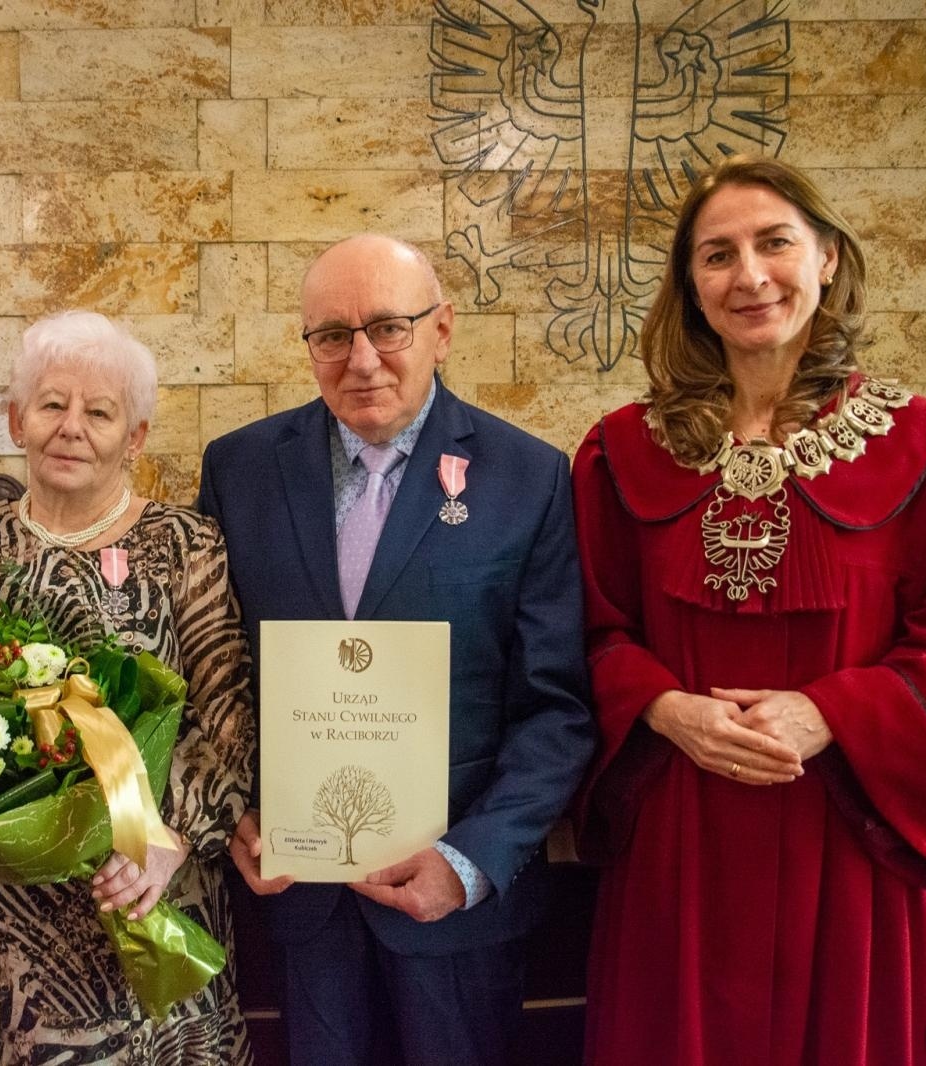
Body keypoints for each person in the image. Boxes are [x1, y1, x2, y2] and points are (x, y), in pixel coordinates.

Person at [572, 155, 926, 1065]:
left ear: (826, 260)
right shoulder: (619, 453)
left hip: (858, 835)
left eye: (774, 243)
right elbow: (586, 630)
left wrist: (833, 712)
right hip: (681, 835)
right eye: (716, 255)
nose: (749, 276)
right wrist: (667, 708)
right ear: (689, 288)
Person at [197, 234, 596, 1066]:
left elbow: (556, 710)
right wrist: (233, 811)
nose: (362, 359)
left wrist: (469, 861)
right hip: (301, 898)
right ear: (307, 346)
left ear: (442, 330)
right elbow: (212, 671)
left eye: (389, 327)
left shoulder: (529, 477)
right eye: (332, 336)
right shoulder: (239, 470)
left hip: (455, 904)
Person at [0, 310, 256, 1064]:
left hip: (133, 910)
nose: (71, 427)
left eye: (100, 411)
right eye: (51, 404)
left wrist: (163, 841)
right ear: (18, 420)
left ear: (136, 436)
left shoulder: (188, 546)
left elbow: (228, 731)